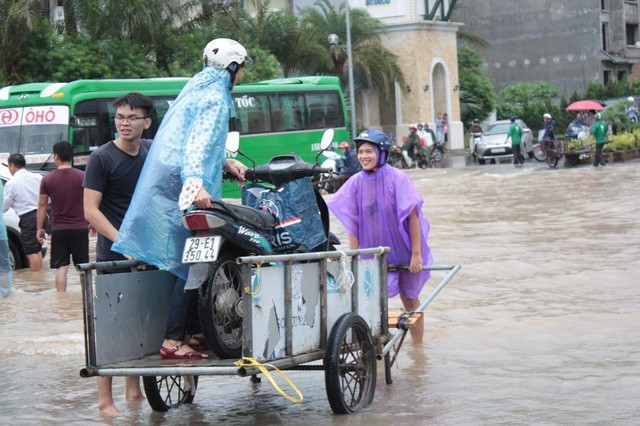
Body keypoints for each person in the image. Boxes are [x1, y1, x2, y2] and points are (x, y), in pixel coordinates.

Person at [111, 39, 249, 361]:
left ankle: (197, 331)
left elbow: (192, 140)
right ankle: (173, 338)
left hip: (168, 183)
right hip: (184, 185)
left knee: (185, 258)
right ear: (231, 68)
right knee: (194, 260)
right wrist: (195, 185)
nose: (241, 76)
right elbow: (197, 146)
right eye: (240, 70)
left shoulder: (195, 87)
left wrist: (225, 163)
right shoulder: (216, 97)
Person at [327, 129, 433, 343]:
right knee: (371, 301)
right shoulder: (356, 182)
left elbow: (413, 218)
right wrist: (354, 255)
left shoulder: (398, 178)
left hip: (402, 251)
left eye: (369, 151)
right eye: (360, 152)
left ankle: (418, 350)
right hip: (372, 253)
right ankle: (375, 351)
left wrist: (416, 254)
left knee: (410, 300)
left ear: (381, 153)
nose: (363, 156)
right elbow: (353, 222)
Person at [83, 93, 153, 416]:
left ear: (146, 123)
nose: (124, 123)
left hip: (145, 252)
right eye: (120, 117)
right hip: (113, 253)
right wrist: (122, 242)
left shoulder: (150, 151)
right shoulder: (101, 158)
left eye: (131, 118)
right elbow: (90, 211)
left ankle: (133, 389)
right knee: (111, 324)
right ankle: (104, 401)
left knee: (139, 322)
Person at [37, 141, 89, 292]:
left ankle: (61, 300)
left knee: (61, 266)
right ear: (71, 157)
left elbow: (42, 205)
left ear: (56, 157)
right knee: (83, 267)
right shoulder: (83, 177)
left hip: (59, 229)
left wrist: (40, 228)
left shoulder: (47, 179)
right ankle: (85, 298)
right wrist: (91, 222)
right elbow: (89, 202)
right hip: (80, 227)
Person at [2, 154, 43, 271]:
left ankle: (37, 281)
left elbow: (4, 206)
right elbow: (47, 199)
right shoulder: (38, 177)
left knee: (31, 252)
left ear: (12, 166)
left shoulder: (12, 183)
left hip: (28, 218)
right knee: (37, 249)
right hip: (42, 215)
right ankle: (40, 279)